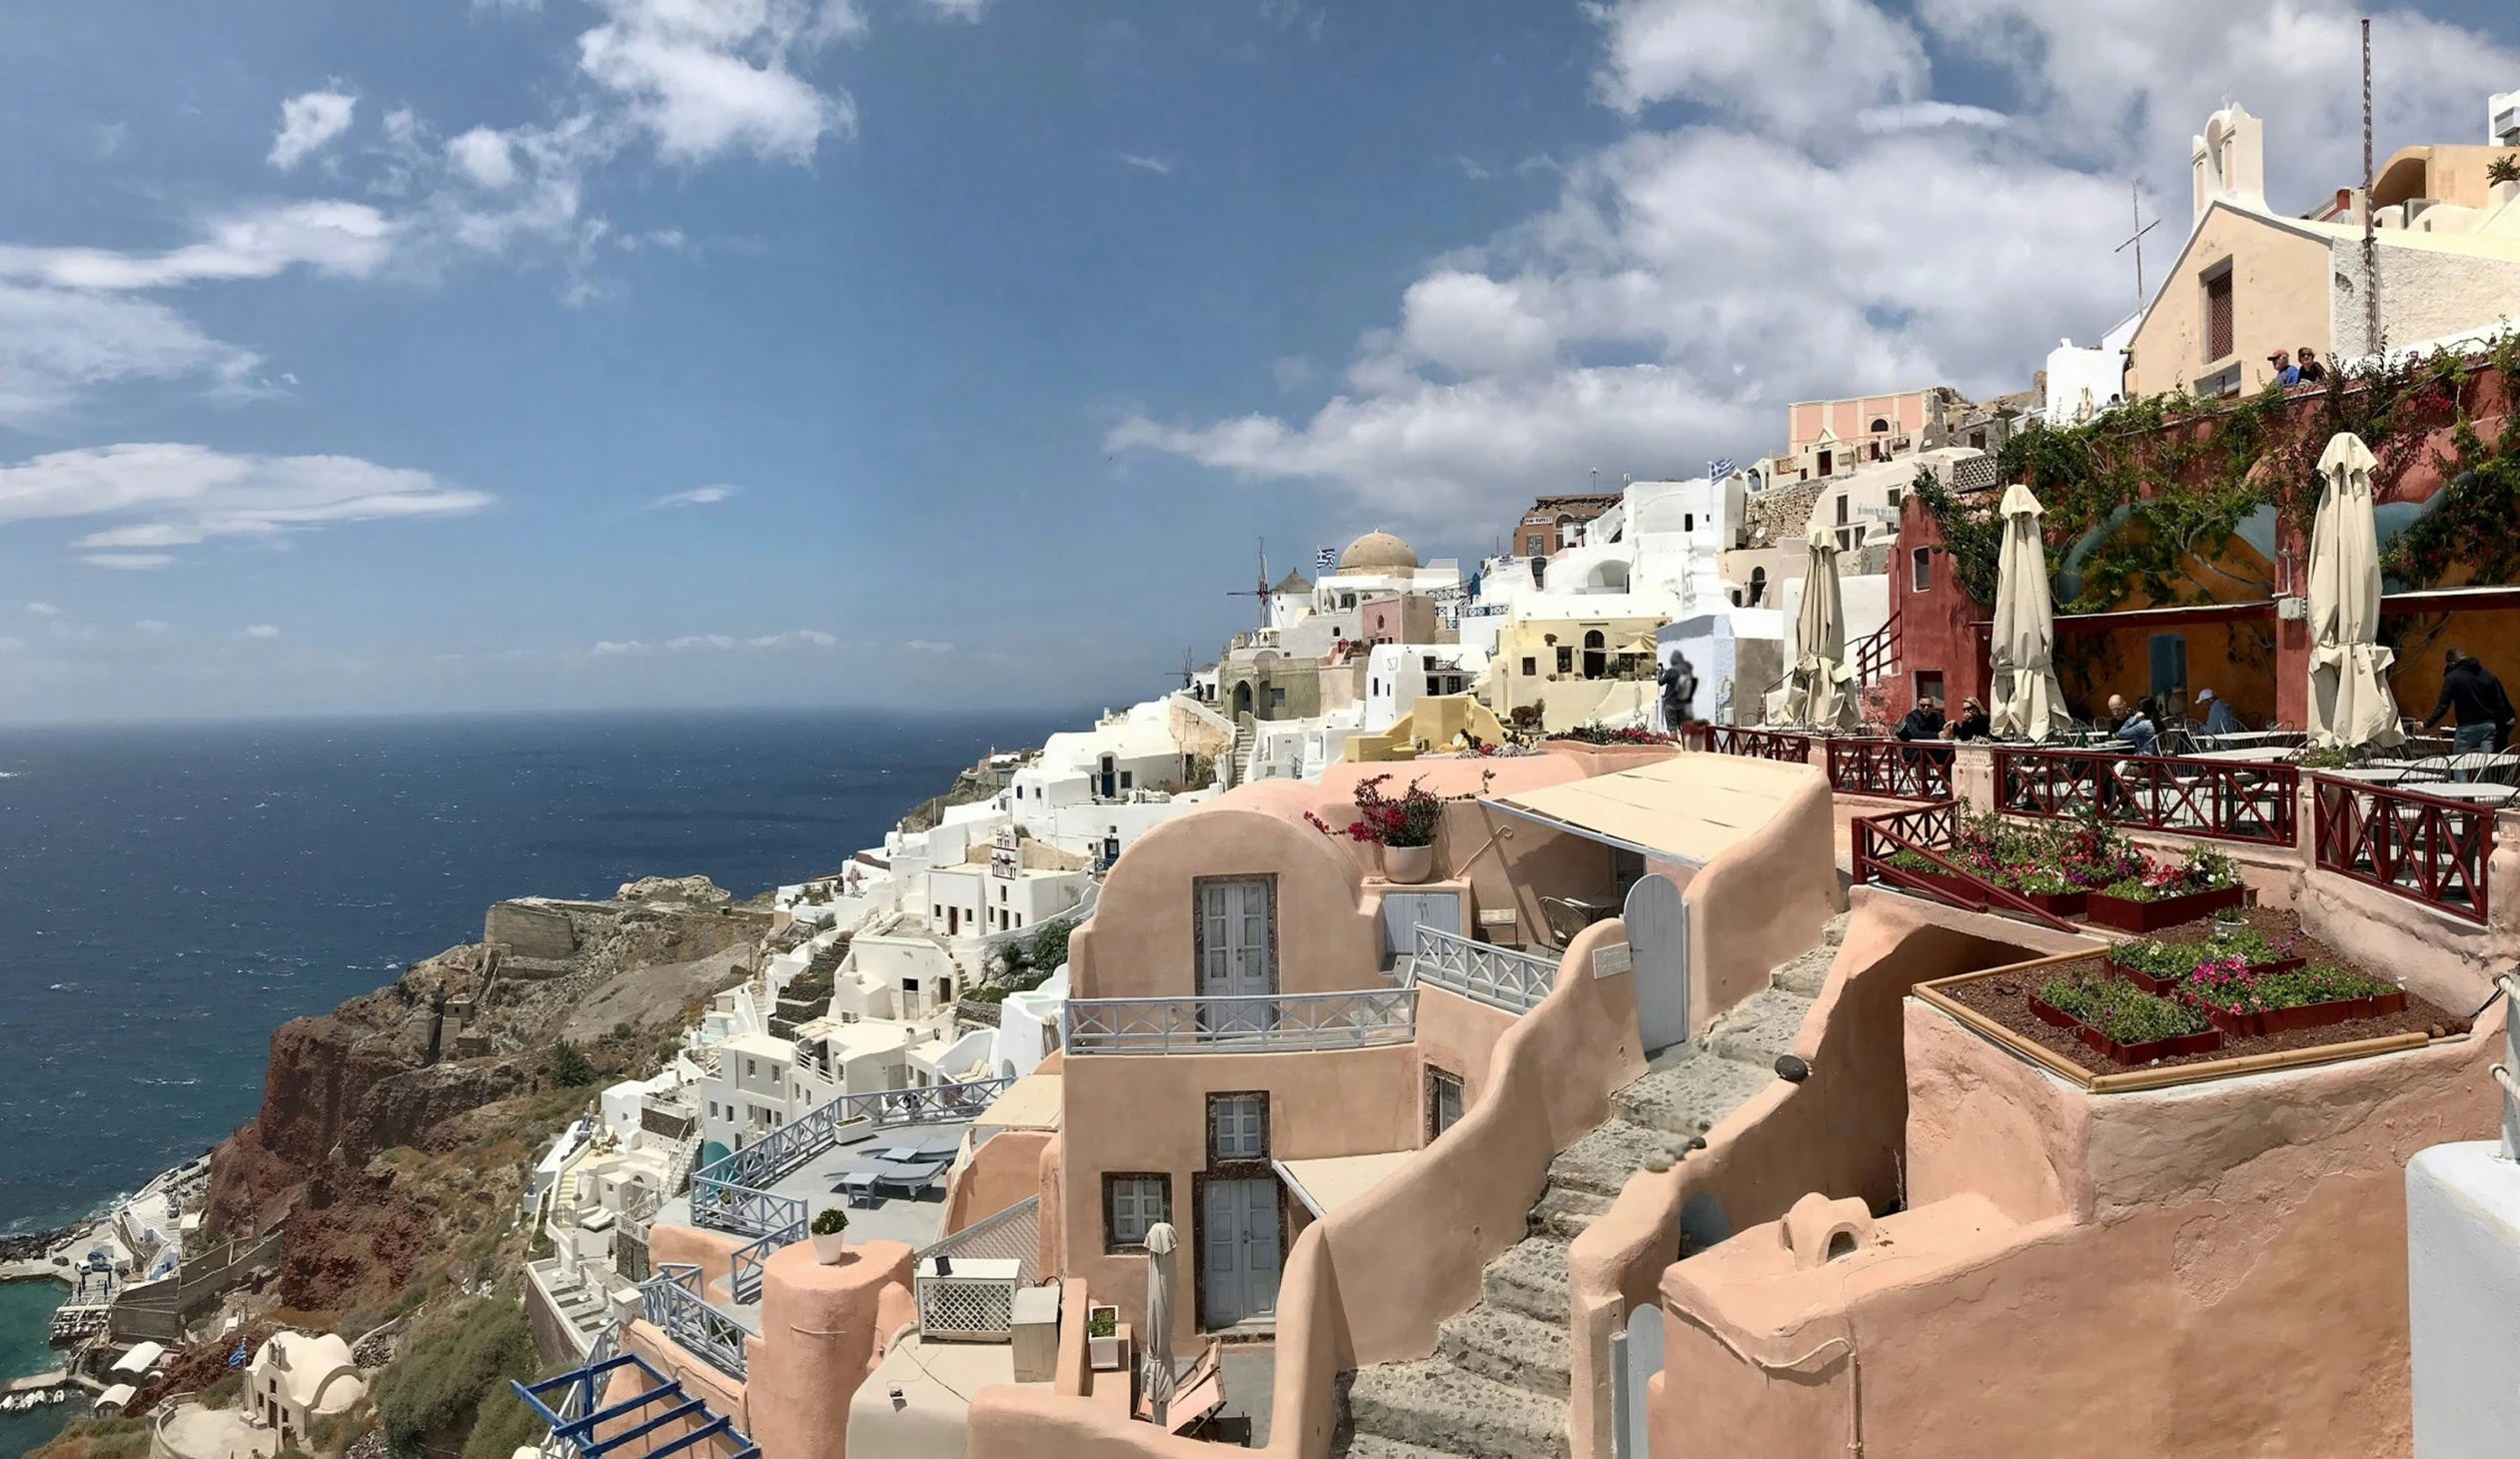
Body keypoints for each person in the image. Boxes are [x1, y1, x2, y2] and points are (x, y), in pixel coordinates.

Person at [2423, 650, 2514, 772]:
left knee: (2459, 766)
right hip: (2489, 727)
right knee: (2483, 767)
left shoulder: (2453, 677)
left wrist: (2427, 724)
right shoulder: (2488, 675)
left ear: (2451, 663)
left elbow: (2443, 706)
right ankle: (2482, 790)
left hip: (2467, 728)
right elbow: (2500, 704)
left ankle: (2461, 789)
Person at [1657, 652, 1698, 733]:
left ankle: (1674, 745)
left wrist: (1660, 673)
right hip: (1681, 704)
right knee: (1682, 728)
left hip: (1670, 703)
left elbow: (1661, 682)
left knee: (1672, 728)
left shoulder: (1671, 671)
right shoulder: (1686, 671)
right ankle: (1685, 745)